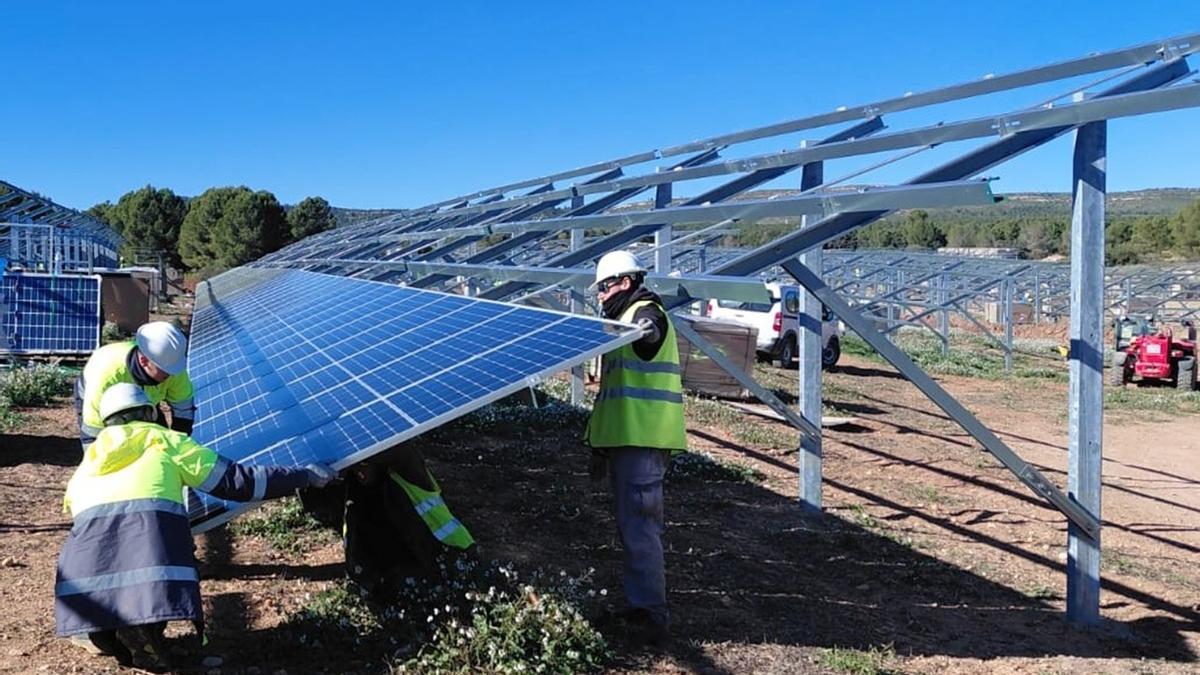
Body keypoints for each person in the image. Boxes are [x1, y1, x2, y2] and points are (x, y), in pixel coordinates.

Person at [55, 383, 337, 671]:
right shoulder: (164, 441)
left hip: (83, 577)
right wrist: (302, 477)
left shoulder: (88, 463)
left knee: (119, 559)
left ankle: (110, 634)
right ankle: (143, 628)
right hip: (148, 560)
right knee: (161, 547)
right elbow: (236, 481)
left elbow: (78, 512)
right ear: (150, 412)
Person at [583, 250, 686, 645]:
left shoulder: (645, 311)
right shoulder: (620, 320)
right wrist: (598, 445)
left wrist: (646, 327)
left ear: (625, 282)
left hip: (644, 439)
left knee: (641, 527)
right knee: (633, 526)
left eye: (605, 287)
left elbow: (651, 333)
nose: (601, 295)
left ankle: (649, 614)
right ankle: (640, 605)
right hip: (625, 440)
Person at [302, 446, 475, 598]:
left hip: (449, 553)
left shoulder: (409, 470)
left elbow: (397, 447)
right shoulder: (354, 490)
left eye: (363, 465)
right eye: (355, 469)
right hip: (395, 573)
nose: (360, 473)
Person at [75, 321, 196, 450]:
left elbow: (183, 413)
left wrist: (178, 449)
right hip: (102, 400)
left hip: (145, 400)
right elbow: (93, 434)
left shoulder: (173, 369)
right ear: (144, 361)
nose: (171, 376)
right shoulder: (106, 376)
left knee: (157, 443)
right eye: (165, 371)